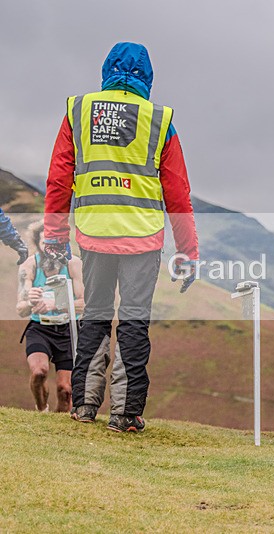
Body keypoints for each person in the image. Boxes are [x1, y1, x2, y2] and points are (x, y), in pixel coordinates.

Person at [44, 42, 199, 433]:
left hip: (94, 232)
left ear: (106, 69)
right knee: (133, 321)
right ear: (148, 76)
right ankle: (125, 414)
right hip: (142, 238)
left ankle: (84, 405)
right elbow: (177, 193)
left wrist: (55, 238)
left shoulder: (78, 111)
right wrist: (188, 252)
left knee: (95, 315)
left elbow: (59, 179)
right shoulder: (159, 120)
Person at [16, 221, 84, 413]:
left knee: (65, 389)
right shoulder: (29, 265)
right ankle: (42, 409)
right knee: (39, 372)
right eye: (45, 243)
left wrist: (57, 304)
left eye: (54, 244)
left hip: (68, 330)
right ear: (38, 244)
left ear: (63, 243)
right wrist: (31, 303)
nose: (50, 249)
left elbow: (84, 304)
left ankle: (60, 424)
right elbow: (20, 309)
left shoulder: (73, 264)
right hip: (40, 328)